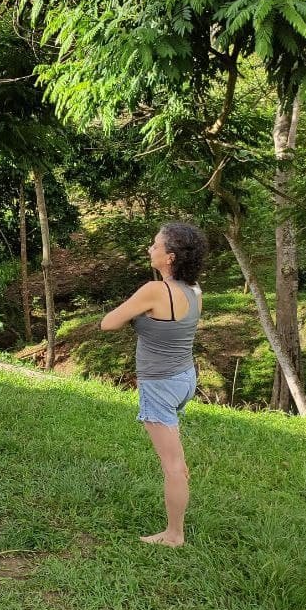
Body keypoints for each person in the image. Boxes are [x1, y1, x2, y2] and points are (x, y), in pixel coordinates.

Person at [99, 222, 207, 547]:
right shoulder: (195, 291)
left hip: (160, 384)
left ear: (170, 257)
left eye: (155, 245)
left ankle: (174, 535)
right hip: (185, 378)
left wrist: (136, 315)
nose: (150, 249)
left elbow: (108, 323)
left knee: (171, 465)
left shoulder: (154, 291)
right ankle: (181, 478)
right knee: (177, 460)